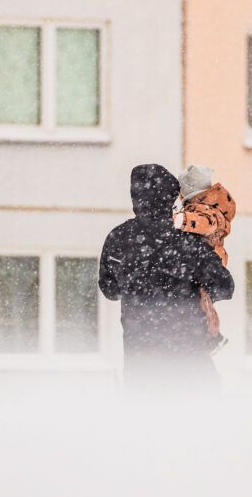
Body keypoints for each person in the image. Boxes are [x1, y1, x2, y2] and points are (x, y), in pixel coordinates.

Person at [99, 164, 235, 383]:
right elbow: (224, 287)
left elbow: (110, 290)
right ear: (172, 195)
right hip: (191, 366)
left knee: (150, 415)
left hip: (141, 367)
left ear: (135, 196)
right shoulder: (188, 238)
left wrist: (138, 284)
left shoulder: (118, 238)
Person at [173, 165, 237, 353]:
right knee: (204, 301)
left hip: (210, 258)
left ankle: (212, 337)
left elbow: (206, 224)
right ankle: (211, 337)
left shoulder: (205, 211)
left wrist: (179, 220)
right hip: (209, 259)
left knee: (204, 302)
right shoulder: (205, 207)